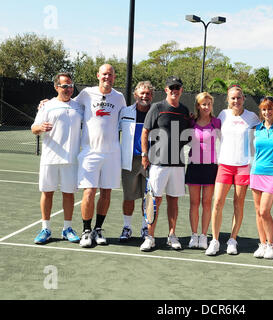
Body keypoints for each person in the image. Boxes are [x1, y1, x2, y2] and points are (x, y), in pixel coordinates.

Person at [74, 64, 126, 248]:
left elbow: (127, 118)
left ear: (114, 77)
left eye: (110, 75)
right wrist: (47, 103)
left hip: (112, 153)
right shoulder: (86, 93)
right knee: (89, 191)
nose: (107, 77)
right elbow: (69, 104)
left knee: (106, 192)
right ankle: (86, 231)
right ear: (98, 75)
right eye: (104, 74)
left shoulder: (119, 98)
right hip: (90, 153)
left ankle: (98, 229)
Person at [206, 85, 260, 256]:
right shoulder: (223, 115)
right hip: (224, 165)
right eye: (232, 98)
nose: (236, 101)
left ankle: (232, 240)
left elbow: (265, 127)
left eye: (239, 97)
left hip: (243, 166)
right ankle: (214, 240)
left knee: (239, 204)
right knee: (217, 203)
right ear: (228, 100)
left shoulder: (252, 117)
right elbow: (206, 122)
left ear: (244, 98)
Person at [140, 76, 190, 251]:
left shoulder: (184, 110)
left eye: (177, 87)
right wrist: (145, 155)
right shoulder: (157, 107)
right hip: (158, 163)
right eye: (171, 87)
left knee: (173, 201)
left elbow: (187, 134)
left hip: (177, 164)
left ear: (181, 90)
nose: (174, 90)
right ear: (166, 89)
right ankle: (150, 237)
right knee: (154, 201)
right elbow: (145, 132)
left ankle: (172, 235)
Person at [31, 72, 82, 244]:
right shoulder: (47, 106)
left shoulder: (79, 106)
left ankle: (67, 228)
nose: (68, 89)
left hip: (71, 159)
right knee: (47, 193)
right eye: (64, 86)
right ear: (56, 87)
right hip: (49, 158)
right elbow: (34, 128)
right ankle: (45, 228)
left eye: (70, 85)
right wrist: (40, 127)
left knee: (69, 194)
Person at [119, 81, 154, 242]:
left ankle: (144, 228)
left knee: (148, 197)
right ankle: (127, 227)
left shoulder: (156, 112)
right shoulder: (124, 111)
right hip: (129, 160)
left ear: (151, 96)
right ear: (135, 95)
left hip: (151, 161)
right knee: (129, 196)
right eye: (142, 93)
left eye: (148, 93)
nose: (144, 96)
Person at [185, 92, 221, 249]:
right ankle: (194, 235)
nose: (206, 107)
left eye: (209, 104)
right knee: (194, 203)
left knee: (207, 203)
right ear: (198, 106)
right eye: (203, 104)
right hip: (194, 166)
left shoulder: (217, 122)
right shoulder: (191, 122)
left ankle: (204, 236)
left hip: (211, 168)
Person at [250, 97, 273, 259]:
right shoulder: (257, 129)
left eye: (270, 109)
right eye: (264, 109)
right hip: (256, 172)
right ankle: (262, 244)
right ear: (260, 112)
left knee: (264, 211)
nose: (267, 112)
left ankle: (271, 244)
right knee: (258, 211)